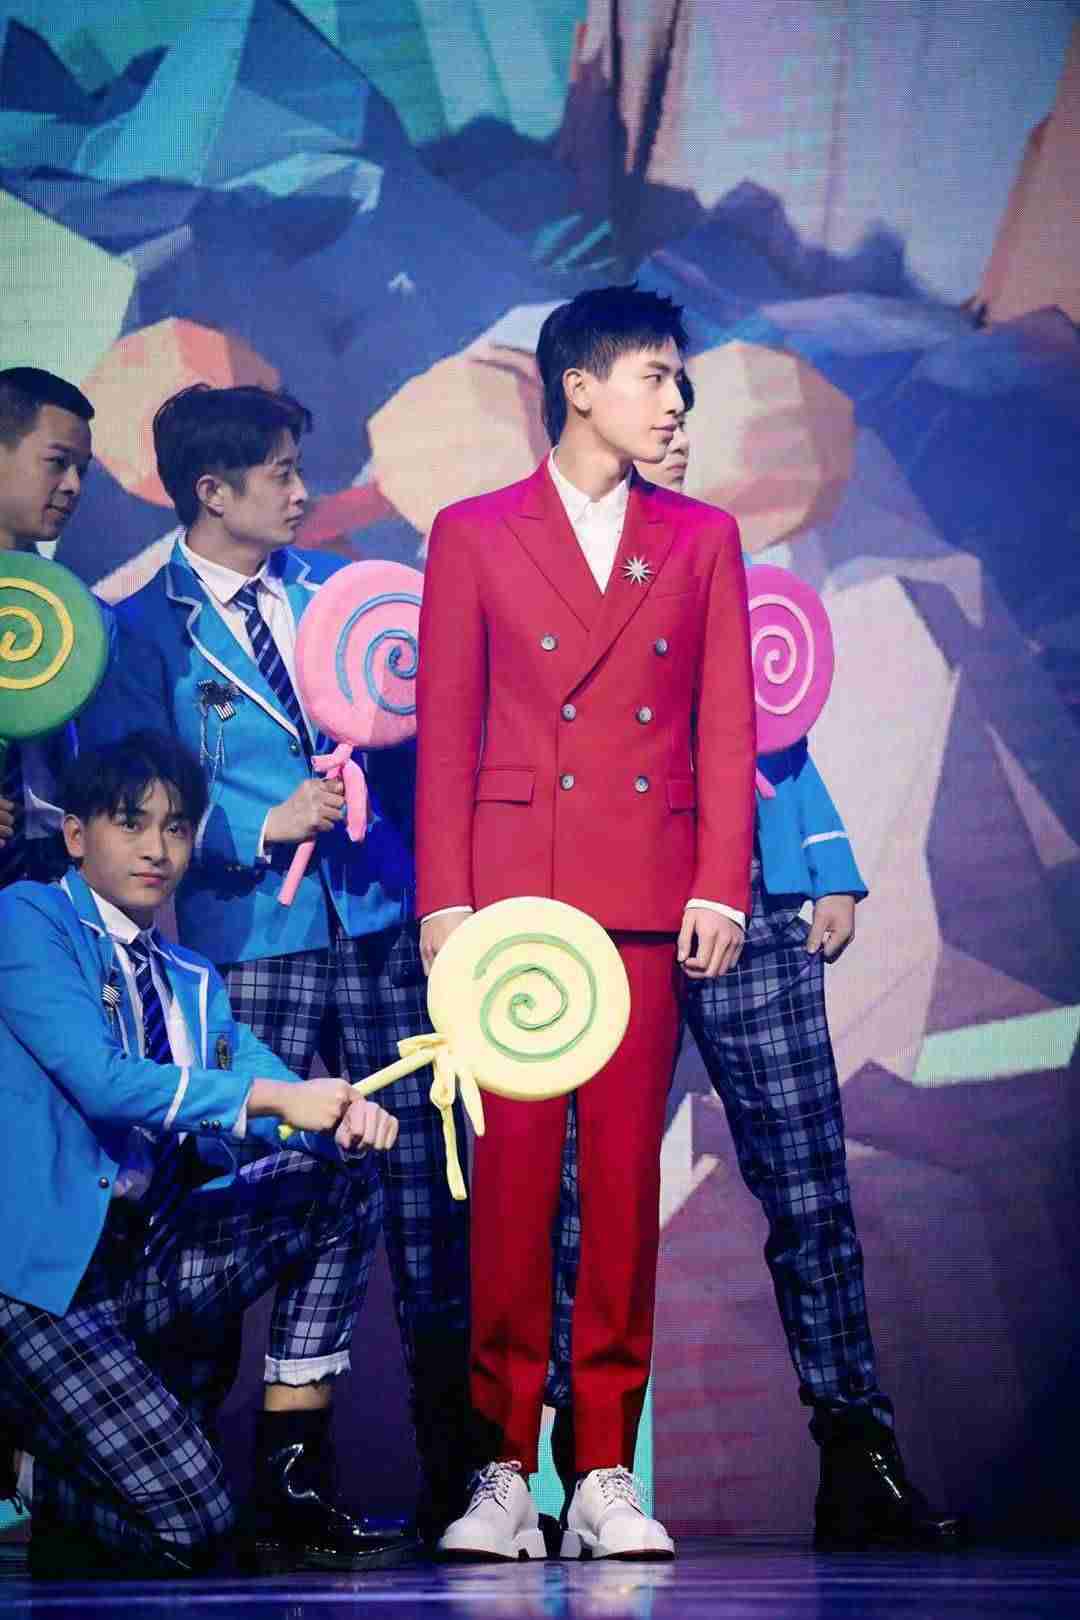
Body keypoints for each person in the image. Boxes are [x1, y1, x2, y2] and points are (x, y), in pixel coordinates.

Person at [543, 381, 962, 1548]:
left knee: (809, 1186)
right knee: (586, 1195)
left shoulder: (721, 555)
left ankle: (858, 1459)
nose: (675, 425)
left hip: (758, 900)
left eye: (684, 410)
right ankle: (570, 1473)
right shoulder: (549, 561)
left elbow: (776, 720)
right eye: (655, 399)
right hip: (611, 910)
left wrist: (826, 860)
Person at [78, 384, 470, 1541]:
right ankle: (196, 1484)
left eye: (302, 468)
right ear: (213, 490)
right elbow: (127, 810)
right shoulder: (137, 630)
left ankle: (460, 1478)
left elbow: (420, 748)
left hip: (382, 923)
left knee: (421, 1188)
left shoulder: (343, 597)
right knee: (250, 1189)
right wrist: (258, 825)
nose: (303, 491)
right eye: (282, 473)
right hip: (254, 944)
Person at [415, 285, 757, 1560]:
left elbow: (727, 720)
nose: (675, 400)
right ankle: (503, 1470)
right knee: (507, 1187)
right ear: (579, 384)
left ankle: (605, 1467)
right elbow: (446, 727)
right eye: (655, 375)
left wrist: (717, 882)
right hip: (510, 903)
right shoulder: (473, 532)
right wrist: (444, 899)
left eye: (679, 379)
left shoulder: (703, 537)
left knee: (621, 1189)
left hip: (645, 901)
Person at [0, 732, 406, 1575]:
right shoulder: (28, 920)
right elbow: (105, 1081)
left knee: (337, 1177)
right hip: (40, 1284)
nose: (157, 848)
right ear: (74, 834)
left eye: (177, 828)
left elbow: (258, 1078)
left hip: (140, 1268)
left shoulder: (189, 975)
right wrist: (277, 1100)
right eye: (131, 823)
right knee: (195, 1526)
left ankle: (291, 1483)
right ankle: (23, 1466)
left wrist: (339, 1114)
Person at [0, 367, 96, 890]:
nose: (73, 486)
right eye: (57, 462)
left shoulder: (75, 611)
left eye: (82, 470)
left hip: (52, 870)